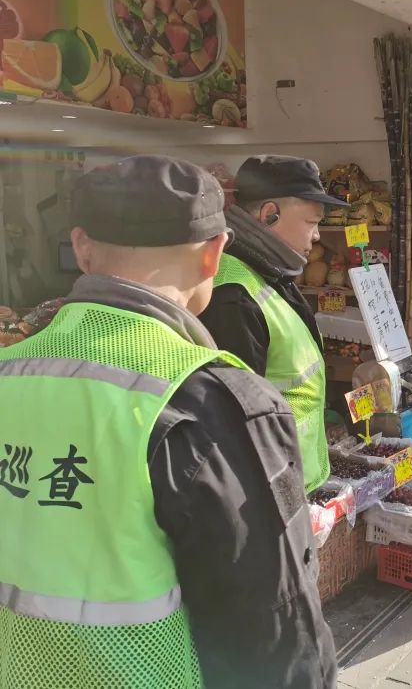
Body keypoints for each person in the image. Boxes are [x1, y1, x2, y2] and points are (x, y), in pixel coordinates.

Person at [0, 156, 336, 687]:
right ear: (213, 253)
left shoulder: (10, 369)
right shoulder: (213, 401)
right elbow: (270, 627)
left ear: (81, 247)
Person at [200, 155, 348, 494]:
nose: (317, 236)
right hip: (269, 492)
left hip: (291, 482)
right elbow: (231, 425)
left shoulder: (270, 272)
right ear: (269, 214)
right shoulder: (234, 295)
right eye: (311, 222)